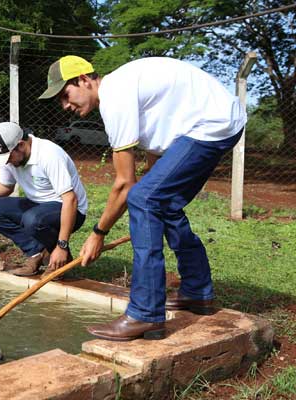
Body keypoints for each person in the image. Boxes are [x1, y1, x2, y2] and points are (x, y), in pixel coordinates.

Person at [39, 55, 246, 341]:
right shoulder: (124, 89)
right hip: (217, 122)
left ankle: (144, 314)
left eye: (66, 94)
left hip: (213, 125)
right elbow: (154, 156)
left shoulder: (114, 97)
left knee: (143, 199)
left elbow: (125, 185)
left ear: (84, 80)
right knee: (161, 203)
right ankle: (197, 292)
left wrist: (98, 233)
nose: (66, 105)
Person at [0, 121, 88, 278]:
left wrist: (62, 246)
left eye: (8, 157)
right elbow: (6, 186)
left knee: (33, 220)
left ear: (21, 145)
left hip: (70, 208)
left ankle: (60, 257)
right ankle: (36, 253)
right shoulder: (9, 156)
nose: (7, 162)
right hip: (38, 205)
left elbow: (70, 200)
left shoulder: (49, 155)